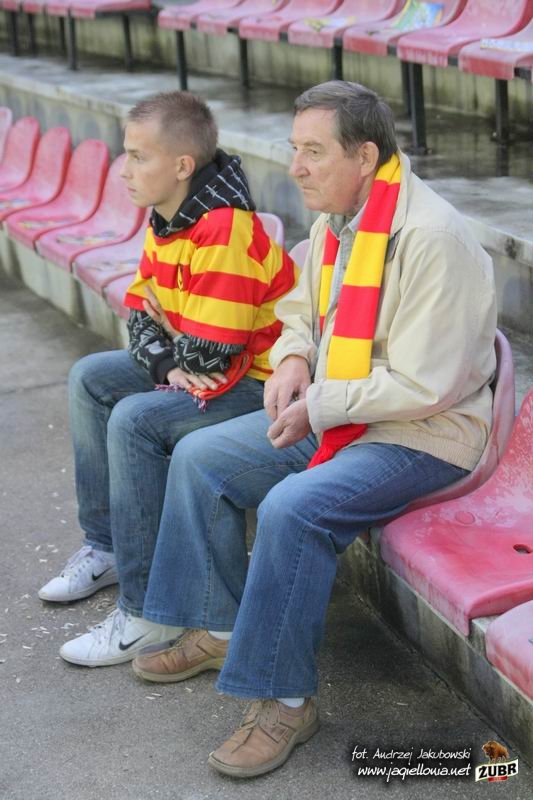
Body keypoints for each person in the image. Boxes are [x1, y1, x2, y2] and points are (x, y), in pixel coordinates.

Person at [132, 80, 498, 778]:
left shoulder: (431, 237)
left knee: (293, 508)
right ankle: (218, 627)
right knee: (201, 457)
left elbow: (426, 385)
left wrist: (318, 403)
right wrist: (296, 358)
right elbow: (299, 308)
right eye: (294, 148)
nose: (295, 167)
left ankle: (285, 702)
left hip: (423, 433)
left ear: (364, 157)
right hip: (341, 406)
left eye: (313, 151)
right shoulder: (338, 220)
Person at [38, 90, 297, 667]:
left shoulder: (224, 230)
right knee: (91, 377)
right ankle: (107, 548)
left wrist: (175, 346)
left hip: (261, 384)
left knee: (136, 419)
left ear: (182, 165)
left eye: (138, 157)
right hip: (210, 372)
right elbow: (138, 316)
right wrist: (170, 359)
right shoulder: (169, 217)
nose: (123, 170)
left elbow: (213, 355)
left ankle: (146, 610)